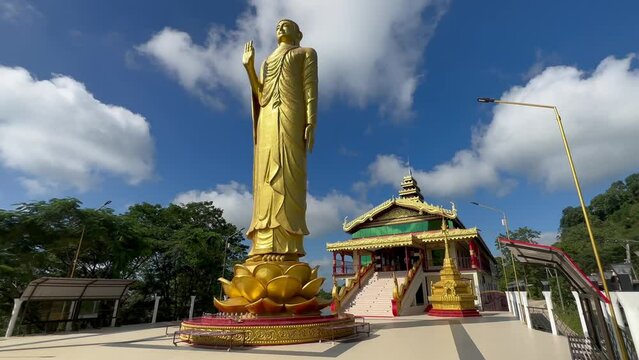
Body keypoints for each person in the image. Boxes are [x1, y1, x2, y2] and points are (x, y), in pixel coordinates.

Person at [242, 19, 318, 262]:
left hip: (290, 114)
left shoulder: (306, 53)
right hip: (267, 116)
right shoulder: (266, 60)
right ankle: (262, 246)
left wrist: (311, 121)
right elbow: (261, 95)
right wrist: (250, 67)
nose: (280, 27)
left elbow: (310, 88)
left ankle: (288, 247)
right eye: (278, 25)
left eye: (287, 25)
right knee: (265, 177)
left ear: (299, 33)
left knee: (288, 173)